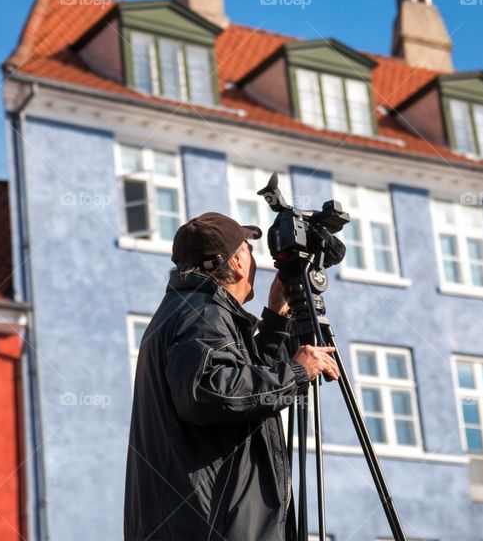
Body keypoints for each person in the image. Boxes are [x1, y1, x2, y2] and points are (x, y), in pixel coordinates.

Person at [124, 212, 340, 541]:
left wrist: (275, 320)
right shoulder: (202, 314)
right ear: (237, 261)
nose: (255, 261)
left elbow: (242, 392)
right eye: (250, 251)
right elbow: (212, 393)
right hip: (214, 525)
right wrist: (297, 371)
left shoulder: (185, 311)